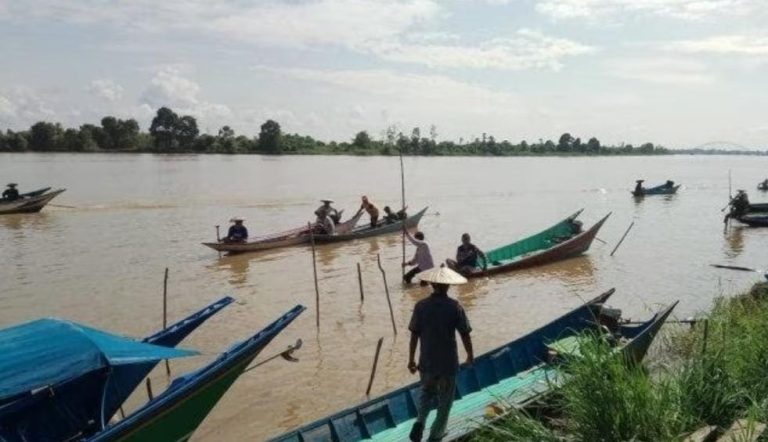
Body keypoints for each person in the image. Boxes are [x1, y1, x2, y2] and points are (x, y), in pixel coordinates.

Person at [408, 265, 474, 442]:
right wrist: (470, 355)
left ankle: (420, 421)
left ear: (432, 284)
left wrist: (411, 360)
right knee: (445, 401)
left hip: (426, 361)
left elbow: (414, 334)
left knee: (426, 393)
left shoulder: (420, 306)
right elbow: (465, 333)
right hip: (447, 363)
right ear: (448, 286)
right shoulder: (455, 307)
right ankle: (436, 435)